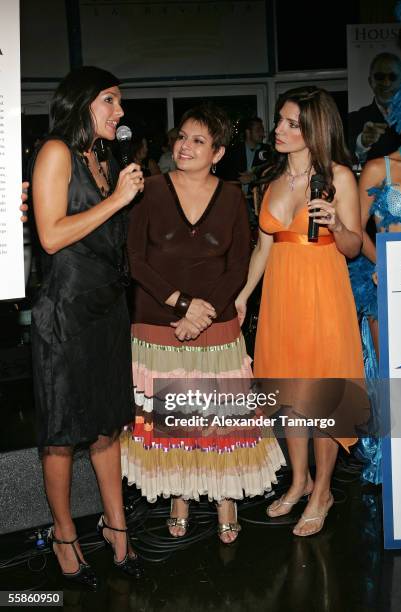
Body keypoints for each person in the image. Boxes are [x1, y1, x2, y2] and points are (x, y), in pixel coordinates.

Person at [121, 104, 285, 544]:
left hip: (216, 323)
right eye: (182, 137)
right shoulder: (148, 190)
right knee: (174, 416)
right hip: (159, 321)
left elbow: (238, 265)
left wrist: (204, 311)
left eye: (198, 140)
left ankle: (225, 498)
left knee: (221, 416)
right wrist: (182, 307)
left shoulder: (231, 196)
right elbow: (134, 259)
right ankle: (180, 495)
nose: (185, 146)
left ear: (217, 152)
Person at [31, 66, 144, 586]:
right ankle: (64, 537)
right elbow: (51, 237)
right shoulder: (55, 152)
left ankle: (117, 532)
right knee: (62, 434)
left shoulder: (102, 156)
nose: (119, 113)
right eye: (110, 101)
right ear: (82, 103)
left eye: (119, 104)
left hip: (105, 310)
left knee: (106, 425)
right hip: (66, 312)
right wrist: (119, 200)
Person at [235, 86, 365, 537]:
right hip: (281, 301)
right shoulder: (270, 181)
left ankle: (322, 490)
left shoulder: (339, 178)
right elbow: (262, 248)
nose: (279, 129)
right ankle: (298, 480)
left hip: (323, 298)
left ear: (315, 129)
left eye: (292, 123)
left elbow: (351, 249)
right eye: (281, 121)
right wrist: (243, 296)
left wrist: (338, 224)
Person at [351, 83, 401, 483]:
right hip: (386, 281)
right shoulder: (378, 168)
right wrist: (381, 261)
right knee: (391, 379)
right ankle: (393, 468)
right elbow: (354, 231)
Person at [348, 52, 401, 166]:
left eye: (392, 77)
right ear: (370, 82)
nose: (386, 83)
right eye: (380, 77)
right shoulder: (353, 120)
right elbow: (340, 158)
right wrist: (362, 142)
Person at [218, 116, 271, 225]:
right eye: (258, 130)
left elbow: (273, 174)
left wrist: (254, 177)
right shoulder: (231, 152)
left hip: (259, 205)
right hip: (234, 203)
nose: (262, 134)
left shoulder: (268, 151)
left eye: (262, 130)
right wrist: (238, 180)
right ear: (248, 132)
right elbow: (221, 176)